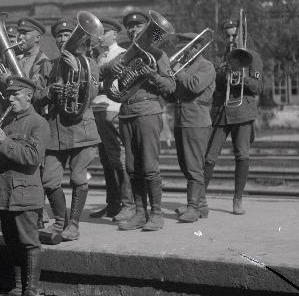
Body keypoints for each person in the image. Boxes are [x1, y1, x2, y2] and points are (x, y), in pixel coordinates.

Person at [104, 12, 176, 231]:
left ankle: (156, 214)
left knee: (150, 167)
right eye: (130, 28)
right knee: (131, 167)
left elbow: (171, 88)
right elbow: (110, 89)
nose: (134, 31)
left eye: (139, 27)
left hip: (148, 112)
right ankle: (139, 212)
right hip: (126, 112)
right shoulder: (123, 56)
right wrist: (111, 73)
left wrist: (153, 75)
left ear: (147, 29)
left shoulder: (158, 54)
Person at [35, 19, 101, 244]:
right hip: (56, 131)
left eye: (67, 36)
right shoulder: (49, 65)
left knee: (77, 176)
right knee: (49, 179)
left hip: (82, 130)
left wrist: (76, 72)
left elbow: (90, 95)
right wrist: (49, 91)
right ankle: (61, 222)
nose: (63, 40)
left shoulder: (89, 62)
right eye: (60, 37)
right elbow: (35, 95)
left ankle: (73, 225)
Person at [0, 76, 50, 296]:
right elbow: (1, 157)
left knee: (29, 242)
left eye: (15, 94)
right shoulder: (8, 121)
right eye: (9, 94)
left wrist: (4, 141)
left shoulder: (38, 123)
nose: (10, 98)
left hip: (25, 192)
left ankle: (31, 288)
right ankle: (18, 286)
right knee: (12, 242)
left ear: (29, 96)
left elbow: (32, 158)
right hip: (6, 192)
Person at [204, 18, 264, 215]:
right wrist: (222, 74)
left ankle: (237, 200)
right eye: (227, 35)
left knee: (242, 155)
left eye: (234, 34)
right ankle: (197, 201)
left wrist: (241, 78)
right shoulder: (221, 58)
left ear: (242, 34)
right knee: (208, 156)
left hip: (242, 111)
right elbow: (214, 84)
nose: (231, 38)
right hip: (221, 111)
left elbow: (257, 87)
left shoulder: (252, 56)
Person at [166, 32, 216, 222]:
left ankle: (193, 208)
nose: (182, 52)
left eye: (186, 48)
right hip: (181, 119)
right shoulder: (184, 67)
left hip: (197, 121)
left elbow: (195, 86)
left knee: (194, 166)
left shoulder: (206, 66)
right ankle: (201, 205)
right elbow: (173, 95)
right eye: (181, 49)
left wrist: (178, 72)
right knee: (185, 164)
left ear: (197, 47)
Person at [90, 18, 133, 221]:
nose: (100, 36)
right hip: (98, 109)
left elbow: (116, 84)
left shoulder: (122, 54)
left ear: (115, 34)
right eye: (99, 33)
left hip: (112, 109)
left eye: (104, 32)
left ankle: (127, 203)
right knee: (106, 160)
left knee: (118, 159)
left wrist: (97, 83)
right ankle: (112, 204)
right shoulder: (100, 57)